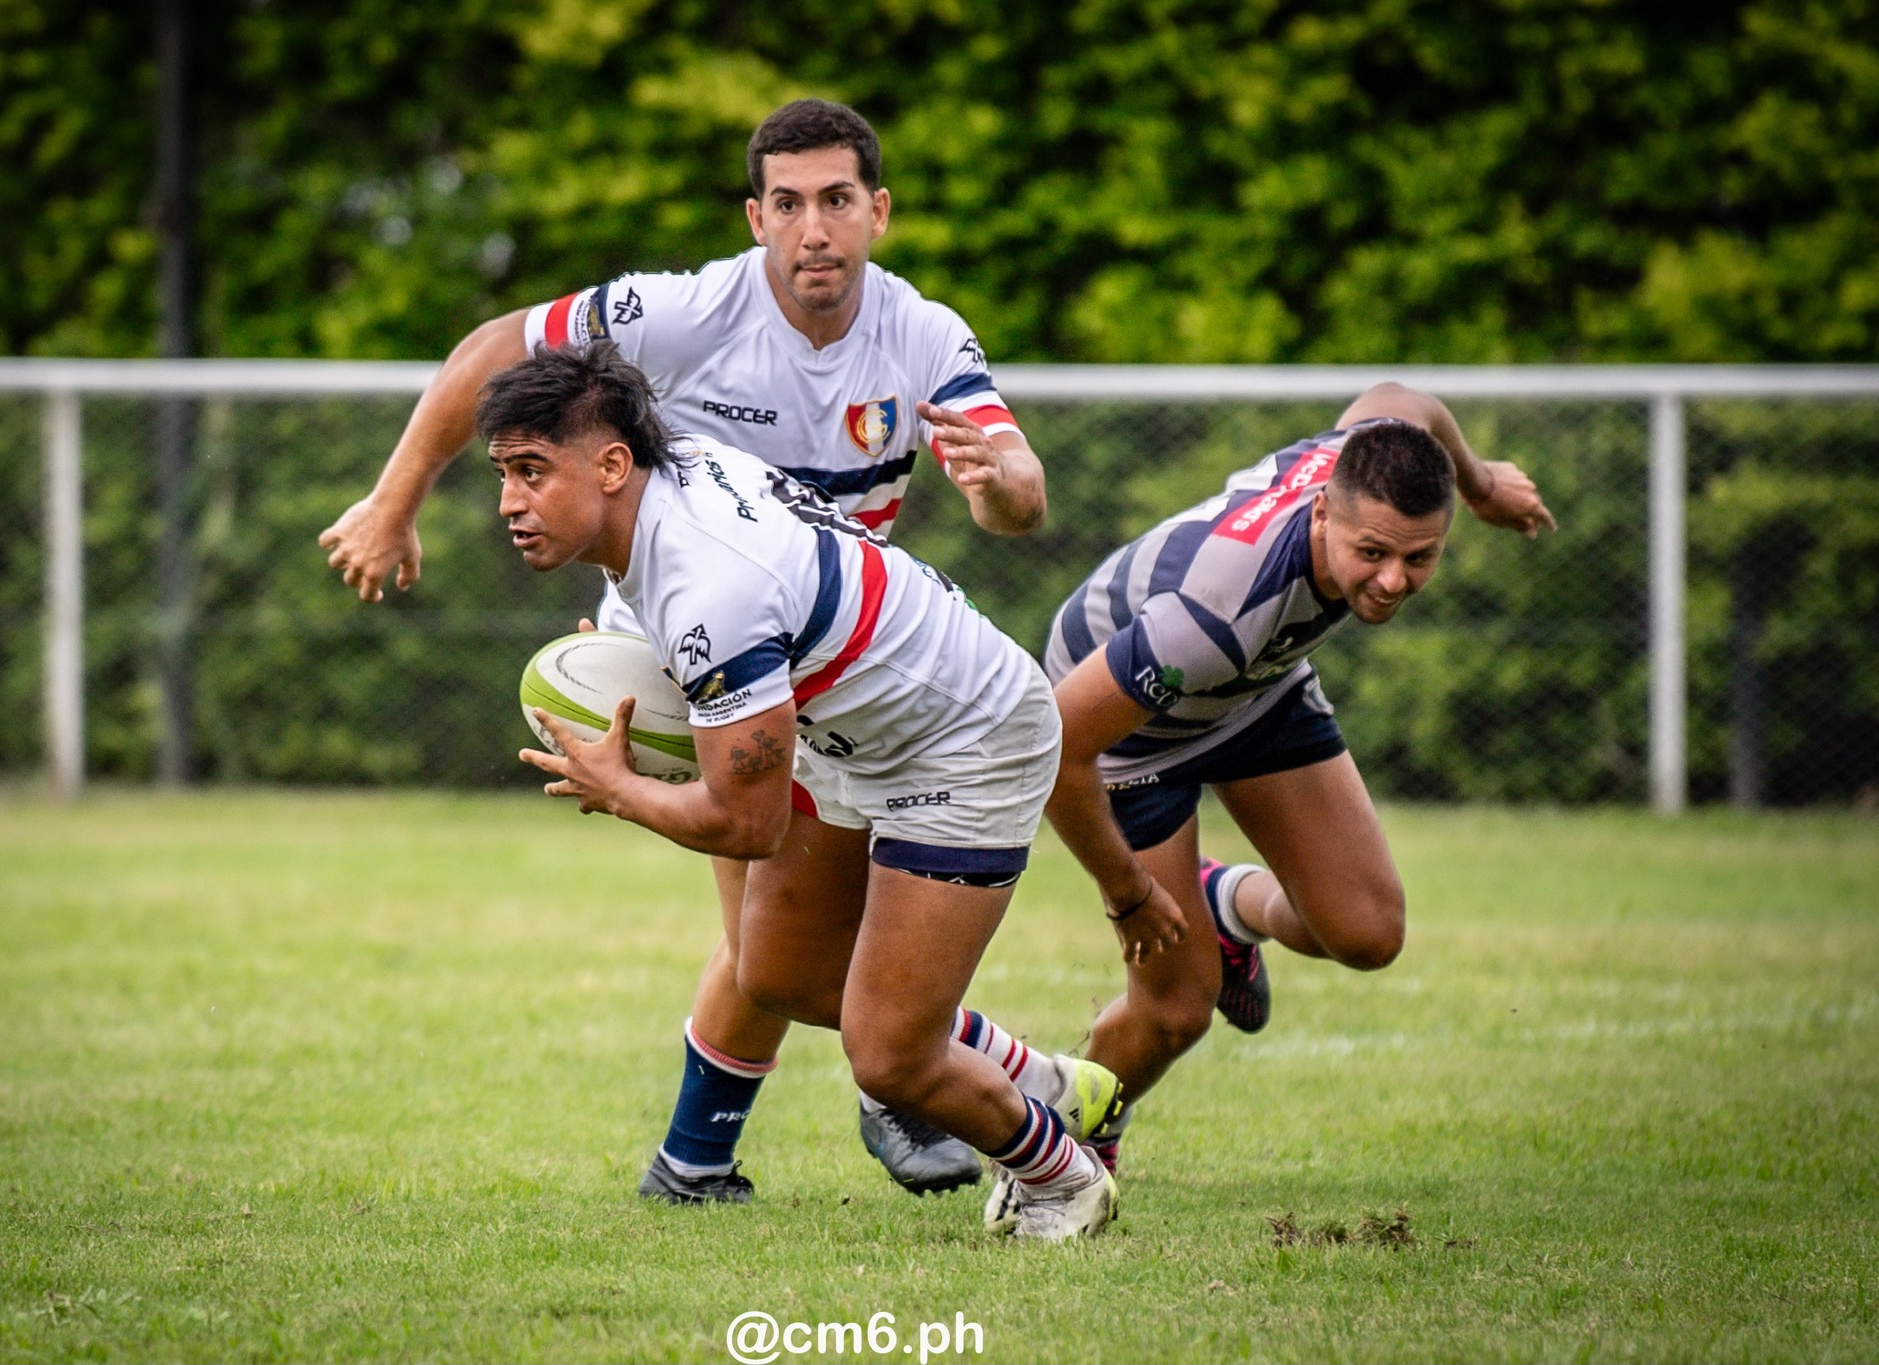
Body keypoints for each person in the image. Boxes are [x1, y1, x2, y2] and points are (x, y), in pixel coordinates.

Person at [318, 99, 1045, 1201]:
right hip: (692, 649)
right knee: (769, 935)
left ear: (877, 213)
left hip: (827, 659)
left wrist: (1003, 489)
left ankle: (761, 1133)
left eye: (837, 201)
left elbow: (1015, 486)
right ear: (755, 217)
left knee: (780, 951)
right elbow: (489, 352)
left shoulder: (923, 337)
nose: (814, 230)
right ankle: (877, 1089)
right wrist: (391, 501)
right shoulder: (684, 313)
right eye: (788, 204)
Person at [485, 341, 1120, 1241]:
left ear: (613, 463)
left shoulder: (711, 585)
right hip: (849, 723)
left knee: (890, 1053)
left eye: (531, 471)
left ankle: (1061, 1175)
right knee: (776, 971)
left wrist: (617, 786)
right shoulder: (667, 484)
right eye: (503, 472)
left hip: (964, 737)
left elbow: (746, 821)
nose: (510, 501)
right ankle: (1049, 1081)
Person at [985, 383, 1554, 1228]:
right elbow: (1060, 744)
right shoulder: (1216, 612)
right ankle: (1060, 1149)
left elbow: (1405, 399)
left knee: (1365, 932)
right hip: (1128, 729)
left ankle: (1226, 904)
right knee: (1177, 1007)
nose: (1394, 580)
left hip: (1254, 687)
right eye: (1373, 553)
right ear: (1323, 513)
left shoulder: (1362, 458)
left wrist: (1474, 481)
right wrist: (1129, 891)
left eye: (1421, 556)